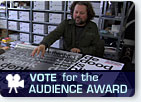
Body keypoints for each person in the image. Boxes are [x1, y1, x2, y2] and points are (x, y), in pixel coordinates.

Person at [31, 1, 104, 57]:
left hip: (84, 57)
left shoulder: (93, 26)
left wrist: (81, 50)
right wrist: (44, 44)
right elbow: (54, 34)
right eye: (76, 12)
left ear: (88, 14)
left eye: (81, 13)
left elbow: (97, 48)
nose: (78, 15)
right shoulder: (66, 23)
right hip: (67, 56)